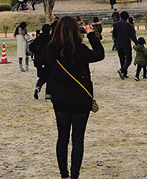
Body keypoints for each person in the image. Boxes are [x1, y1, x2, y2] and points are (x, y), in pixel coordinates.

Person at [45, 16, 104, 179]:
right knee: (78, 139)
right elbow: (99, 54)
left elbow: (49, 48)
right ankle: (74, 175)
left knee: (62, 138)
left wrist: (58, 32)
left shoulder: (51, 49)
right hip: (80, 99)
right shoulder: (81, 50)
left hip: (60, 99)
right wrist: (90, 34)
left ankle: (64, 174)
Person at [31, 23, 53, 100]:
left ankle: (38, 87)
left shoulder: (38, 38)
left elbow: (31, 47)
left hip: (39, 61)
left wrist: (36, 53)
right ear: (49, 30)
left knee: (42, 76)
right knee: (50, 78)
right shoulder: (51, 38)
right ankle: (48, 95)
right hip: (49, 61)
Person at [112, 11, 137, 79]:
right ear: (127, 17)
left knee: (122, 59)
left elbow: (114, 35)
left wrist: (118, 40)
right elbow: (133, 36)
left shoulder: (116, 24)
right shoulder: (129, 25)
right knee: (128, 59)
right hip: (126, 44)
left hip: (119, 44)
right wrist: (137, 43)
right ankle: (122, 70)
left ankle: (124, 73)